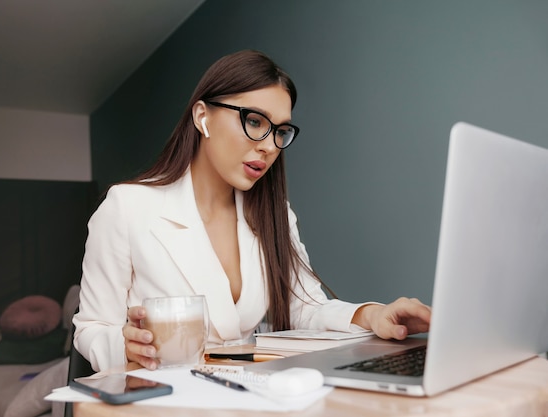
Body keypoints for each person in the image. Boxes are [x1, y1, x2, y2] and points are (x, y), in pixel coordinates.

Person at [73, 49, 431, 372]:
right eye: (255, 121)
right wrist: (124, 346)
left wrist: (374, 315)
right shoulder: (128, 206)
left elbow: (305, 307)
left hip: (244, 397)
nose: (268, 147)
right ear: (203, 117)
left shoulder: (274, 216)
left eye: (280, 131)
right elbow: (91, 328)